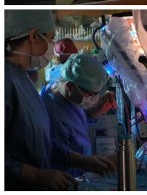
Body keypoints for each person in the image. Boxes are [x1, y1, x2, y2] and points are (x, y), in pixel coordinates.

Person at [5, 11, 114, 190]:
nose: (52, 45)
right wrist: (36, 175)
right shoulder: (7, 82)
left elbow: (41, 142)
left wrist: (85, 162)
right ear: (33, 36)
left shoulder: (24, 81)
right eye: (50, 38)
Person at [40, 53, 116, 177]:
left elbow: (72, 121)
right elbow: (58, 159)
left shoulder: (64, 94)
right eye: (90, 95)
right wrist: (90, 166)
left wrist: (94, 111)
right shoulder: (52, 115)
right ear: (69, 86)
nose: (94, 98)